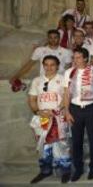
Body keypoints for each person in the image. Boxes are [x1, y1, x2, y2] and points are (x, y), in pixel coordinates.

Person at [28, 55, 71, 184]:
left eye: (52, 65)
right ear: (43, 66)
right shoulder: (36, 80)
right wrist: (38, 111)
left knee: (62, 145)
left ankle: (65, 171)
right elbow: (32, 99)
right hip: (42, 118)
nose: (49, 67)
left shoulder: (63, 79)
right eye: (46, 64)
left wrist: (58, 109)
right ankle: (45, 171)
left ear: (57, 66)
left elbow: (66, 97)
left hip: (58, 117)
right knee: (43, 146)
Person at [63, 48, 93, 182]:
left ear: (85, 58)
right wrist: (66, 111)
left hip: (91, 108)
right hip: (75, 109)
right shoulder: (69, 72)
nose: (75, 60)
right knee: (76, 141)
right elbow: (66, 93)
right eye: (74, 57)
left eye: (78, 57)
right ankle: (78, 168)